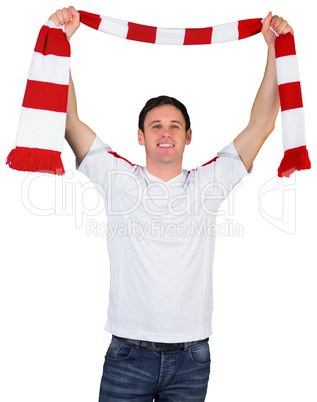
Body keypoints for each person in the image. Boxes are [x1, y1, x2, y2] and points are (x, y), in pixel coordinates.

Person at [50, 6, 293, 402]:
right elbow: (68, 120)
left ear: (188, 136)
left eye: (174, 126)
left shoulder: (208, 183)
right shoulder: (118, 178)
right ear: (141, 137)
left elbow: (262, 123)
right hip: (128, 354)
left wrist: (272, 48)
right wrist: (62, 42)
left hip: (191, 359)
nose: (166, 133)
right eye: (156, 126)